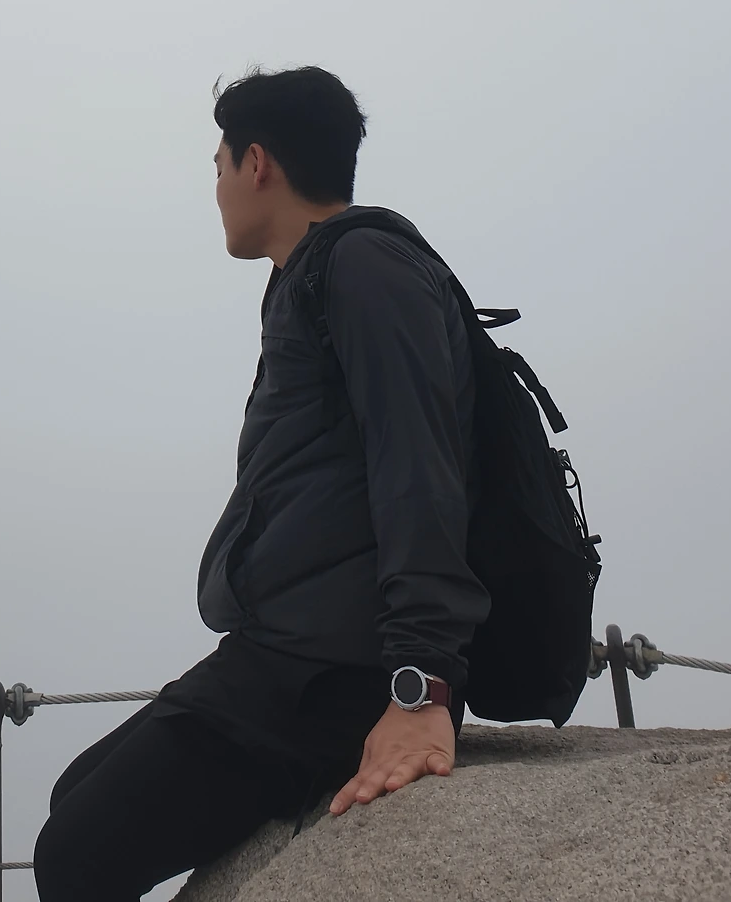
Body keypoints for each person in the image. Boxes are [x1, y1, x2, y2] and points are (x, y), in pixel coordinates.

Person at [33, 66, 491, 902]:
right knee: (75, 801)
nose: (214, 188)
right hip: (279, 655)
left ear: (256, 164)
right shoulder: (309, 275)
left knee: (77, 854)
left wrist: (419, 688)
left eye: (217, 166)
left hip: (338, 673)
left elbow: (420, 468)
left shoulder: (365, 265)